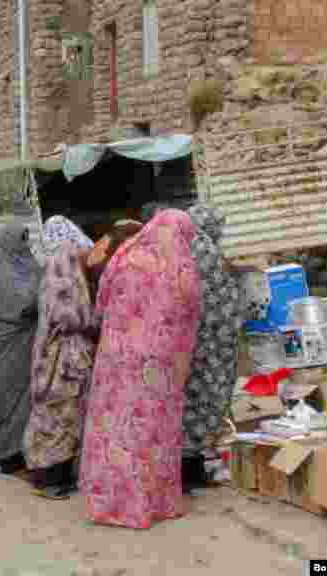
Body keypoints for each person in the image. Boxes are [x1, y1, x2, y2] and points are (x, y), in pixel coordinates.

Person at [79, 209, 201, 529]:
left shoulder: (126, 255)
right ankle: (152, 504)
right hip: (158, 364)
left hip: (116, 358)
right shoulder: (183, 268)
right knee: (152, 430)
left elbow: (101, 302)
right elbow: (190, 318)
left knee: (115, 428)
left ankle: (110, 505)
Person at [24, 239, 97, 499]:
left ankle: (58, 476)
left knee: (64, 416)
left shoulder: (56, 280)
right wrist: (93, 320)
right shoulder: (60, 283)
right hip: (60, 361)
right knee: (58, 417)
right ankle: (49, 479)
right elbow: (71, 317)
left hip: (58, 358)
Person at [182, 204, 242, 489]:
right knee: (206, 404)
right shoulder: (206, 251)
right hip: (212, 345)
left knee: (189, 405)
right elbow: (220, 301)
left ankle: (191, 468)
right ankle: (193, 470)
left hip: (191, 343)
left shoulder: (183, 248)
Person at [0, 223, 41, 478]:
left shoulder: (17, 263)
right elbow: (23, 305)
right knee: (9, 406)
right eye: (21, 241)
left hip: (14, 350)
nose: (26, 246)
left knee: (21, 404)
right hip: (2, 353)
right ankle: (10, 460)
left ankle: (19, 456)